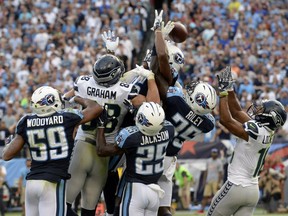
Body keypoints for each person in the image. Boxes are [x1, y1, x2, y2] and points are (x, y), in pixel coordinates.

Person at [65, 53, 160, 216]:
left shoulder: (83, 83)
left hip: (82, 145)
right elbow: (154, 106)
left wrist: (75, 101)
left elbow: (66, 97)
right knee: (89, 209)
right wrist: (150, 77)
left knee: (62, 204)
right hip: (104, 154)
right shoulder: (125, 91)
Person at [2, 86, 103, 216]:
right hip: (52, 182)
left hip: (32, 183)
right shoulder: (67, 117)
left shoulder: (25, 121)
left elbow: (6, 155)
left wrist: (9, 142)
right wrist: (78, 98)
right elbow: (96, 109)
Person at [207, 67, 287, 216]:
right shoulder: (266, 132)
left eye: (263, 109)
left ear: (270, 117)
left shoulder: (255, 130)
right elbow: (237, 111)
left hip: (236, 186)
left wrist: (223, 92)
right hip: (252, 190)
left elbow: (226, 120)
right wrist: (229, 87)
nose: (258, 109)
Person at [96, 102, 175, 216]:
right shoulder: (169, 129)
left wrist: (101, 125)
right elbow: (151, 128)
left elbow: (102, 150)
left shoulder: (131, 136)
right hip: (155, 191)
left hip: (136, 190)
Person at [198, 148, 223, 214]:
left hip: (215, 180)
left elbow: (220, 173)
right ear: (211, 153)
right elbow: (206, 172)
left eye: (215, 153)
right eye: (213, 152)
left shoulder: (219, 162)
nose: (214, 154)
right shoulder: (208, 161)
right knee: (205, 196)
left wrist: (219, 183)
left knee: (217, 196)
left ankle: (219, 209)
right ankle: (201, 210)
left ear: (217, 154)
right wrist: (204, 180)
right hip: (208, 180)